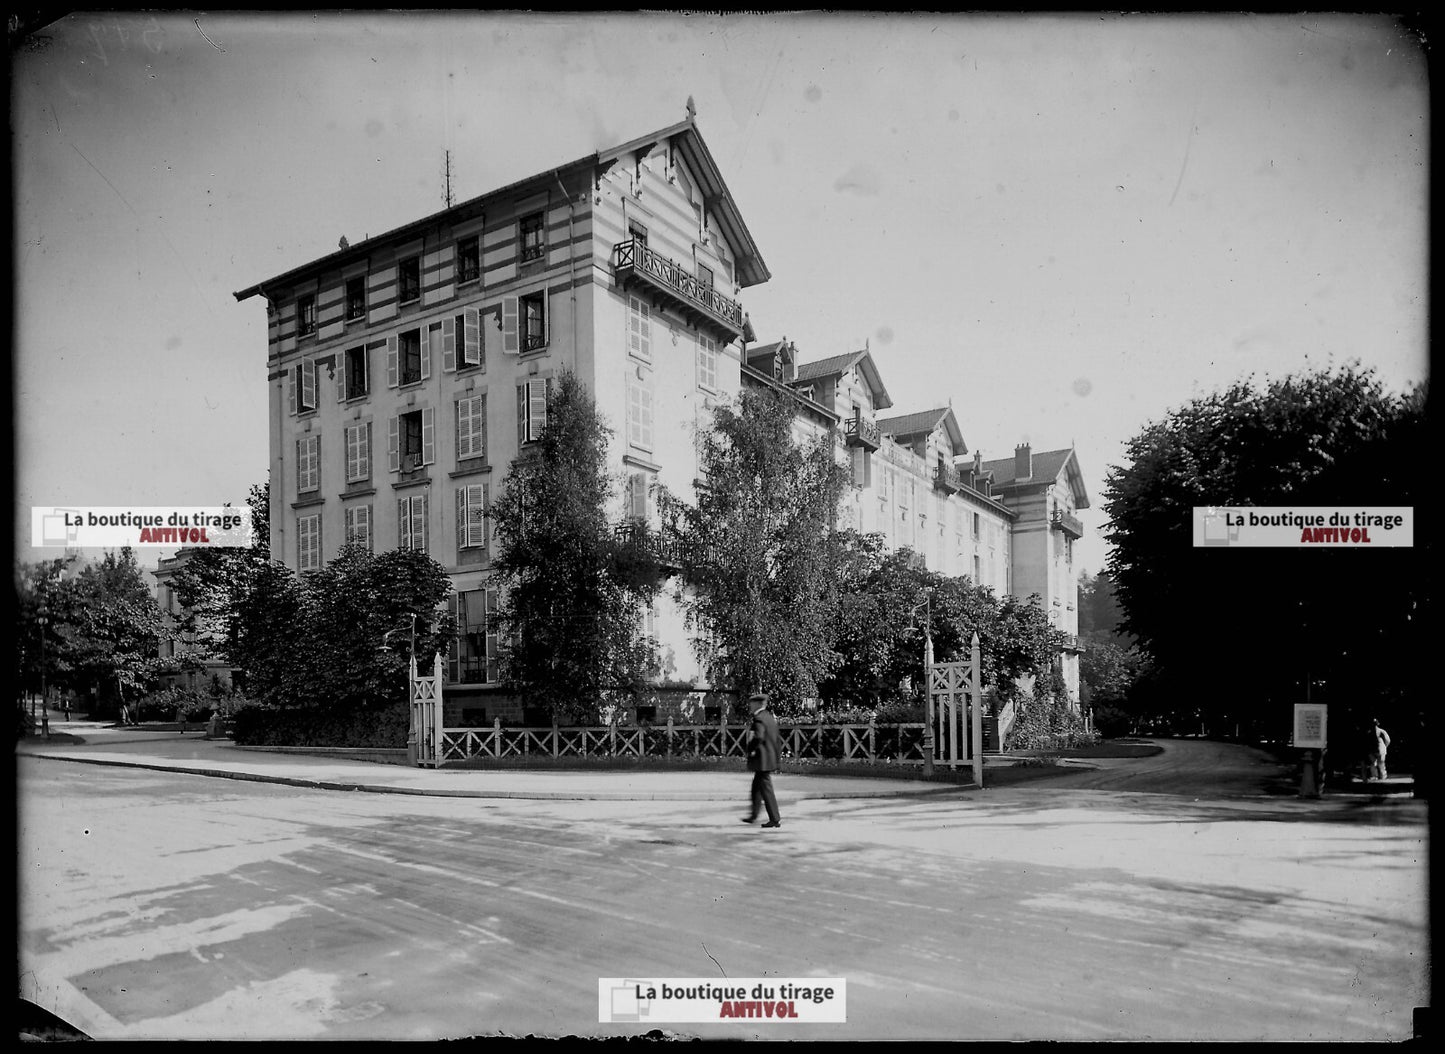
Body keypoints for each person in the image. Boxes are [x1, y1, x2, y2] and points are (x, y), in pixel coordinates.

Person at [741, 693, 782, 829]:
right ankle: (753, 815)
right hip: (769, 758)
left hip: (762, 759)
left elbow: (758, 737)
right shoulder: (769, 717)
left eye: (752, 703)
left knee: (766, 789)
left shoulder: (759, 719)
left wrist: (750, 749)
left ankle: (775, 819)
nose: (750, 706)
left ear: (758, 704)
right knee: (756, 788)